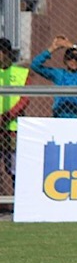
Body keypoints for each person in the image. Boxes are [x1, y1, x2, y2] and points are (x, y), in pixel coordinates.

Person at [30, 36, 77, 118]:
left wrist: (72, 46)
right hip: (61, 116)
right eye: (70, 58)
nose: (73, 61)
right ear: (65, 60)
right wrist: (52, 49)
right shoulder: (59, 74)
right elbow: (35, 65)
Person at [0, 38, 31, 196]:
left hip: (13, 127)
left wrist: (8, 115)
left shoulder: (20, 72)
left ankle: (19, 200)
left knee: (13, 166)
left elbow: (25, 98)